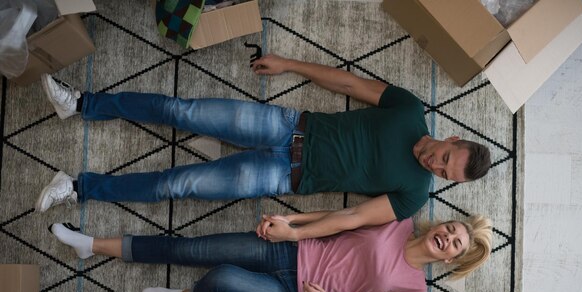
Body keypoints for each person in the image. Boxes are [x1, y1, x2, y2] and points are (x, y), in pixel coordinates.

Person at [37, 54, 491, 241]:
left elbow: (352, 217)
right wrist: (291, 65)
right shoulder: (410, 110)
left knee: (179, 184)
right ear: (451, 138)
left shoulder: (415, 194)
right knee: (183, 111)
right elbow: (350, 83)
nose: (435, 165)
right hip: (286, 125)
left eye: (445, 174)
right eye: (446, 158)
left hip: (282, 178)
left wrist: (296, 231)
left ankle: (79, 189)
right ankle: (80, 103)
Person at [48, 214, 492, 292]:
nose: (449, 237)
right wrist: (292, 222)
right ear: (442, 224)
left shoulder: (415, 287)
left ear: (449, 258)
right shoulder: (401, 220)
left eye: (454, 244)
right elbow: (340, 216)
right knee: (191, 248)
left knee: (219, 278)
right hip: (289, 252)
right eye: (452, 228)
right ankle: (91, 245)